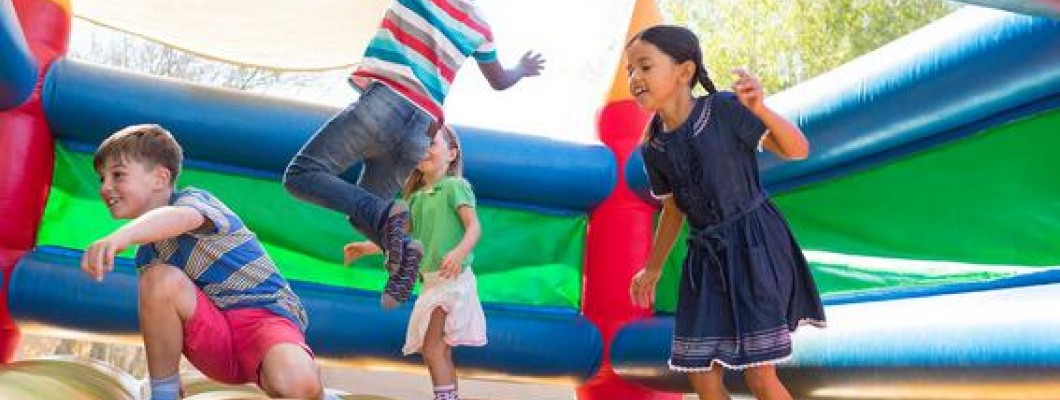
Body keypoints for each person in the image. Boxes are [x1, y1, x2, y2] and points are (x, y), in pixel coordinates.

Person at [283, 0, 544, 309]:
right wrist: (521, 69)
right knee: (363, 214)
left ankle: (388, 218)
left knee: (302, 174)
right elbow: (499, 80)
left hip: (387, 103)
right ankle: (407, 250)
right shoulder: (479, 25)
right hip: (422, 130)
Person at [625, 26, 827, 400]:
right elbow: (672, 209)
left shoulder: (723, 109)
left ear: (684, 72)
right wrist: (653, 266)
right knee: (701, 375)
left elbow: (797, 150)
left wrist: (760, 109)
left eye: (645, 66)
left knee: (758, 376)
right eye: (629, 71)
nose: (635, 78)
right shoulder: (654, 145)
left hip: (754, 243)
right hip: (707, 257)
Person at [82, 124, 334, 400]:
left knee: (294, 384)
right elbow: (162, 319)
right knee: (158, 279)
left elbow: (178, 218)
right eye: (101, 178)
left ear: (159, 178)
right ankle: (163, 391)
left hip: (264, 319)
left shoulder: (194, 202)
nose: (105, 187)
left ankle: (318, 394)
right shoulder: (149, 255)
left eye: (117, 175)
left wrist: (124, 236)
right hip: (215, 339)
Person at [343, 126, 486, 400]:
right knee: (438, 350)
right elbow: (402, 237)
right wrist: (365, 247)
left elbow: (474, 227)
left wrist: (459, 252)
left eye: (432, 144)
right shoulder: (415, 198)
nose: (425, 150)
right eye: (420, 146)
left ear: (452, 154)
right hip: (431, 283)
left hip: (453, 281)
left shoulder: (455, 187)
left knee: (433, 348)